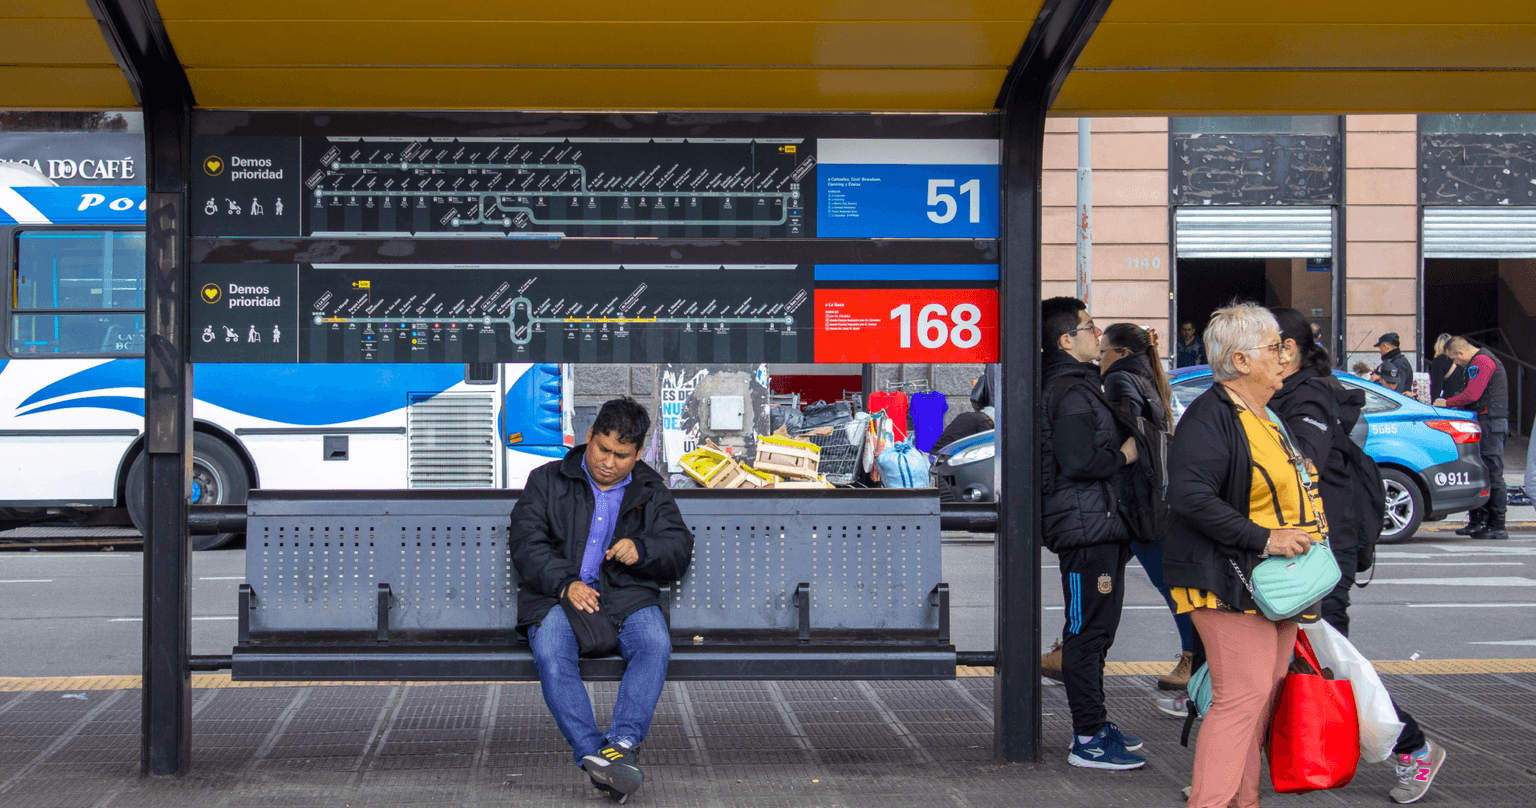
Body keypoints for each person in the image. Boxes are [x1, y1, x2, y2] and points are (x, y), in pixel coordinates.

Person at [1268, 307, 1446, 804]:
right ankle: (1234, 770)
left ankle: (1413, 748)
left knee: (1330, 663)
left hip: (1323, 548)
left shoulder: (1309, 396)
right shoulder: (1285, 393)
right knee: (1279, 661)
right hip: (1302, 544)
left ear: (1286, 349)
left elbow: (1299, 463)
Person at [1163, 302, 1318, 808]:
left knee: (1254, 703)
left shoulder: (1265, 414)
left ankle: (1242, 802)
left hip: (1269, 581)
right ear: (1241, 360)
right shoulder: (1212, 416)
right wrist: (1265, 538)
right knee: (1240, 702)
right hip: (1228, 577)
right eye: (1275, 346)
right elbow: (1190, 497)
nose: (1285, 355)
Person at [511, 397, 695, 803]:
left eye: (622, 455)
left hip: (626, 595)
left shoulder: (650, 488)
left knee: (654, 644)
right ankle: (596, 755)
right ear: (589, 437)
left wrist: (643, 549)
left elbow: (679, 547)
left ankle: (620, 747)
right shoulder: (547, 480)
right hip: (558, 596)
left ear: (638, 453)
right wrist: (564, 583)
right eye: (603, 449)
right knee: (551, 650)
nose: (609, 462)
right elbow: (526, 542)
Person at [1039, 297, 1144, 770]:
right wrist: (1124, 456)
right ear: (1067, 340)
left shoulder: (1079, 385)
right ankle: (1088, 738)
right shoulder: (1071, 391)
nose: (1097, 334)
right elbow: (1079, 460)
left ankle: (1097, 725)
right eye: (1089, 327)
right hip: (1085, 527)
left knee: (1096, 632)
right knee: (1086, 634)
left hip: (1096, 522)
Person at [1099, 323, 1196, 694]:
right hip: (1150, 497)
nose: (1099, 356)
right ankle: (1193, 655)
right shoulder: (1146, 377)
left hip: (1135, 500)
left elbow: (1133, 437)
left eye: (1105, 349)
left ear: (1121, 353)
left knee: (1162, 583)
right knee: (1112, 580)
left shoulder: (1120, 381)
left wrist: (1112, 460)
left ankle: (1193, 657)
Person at [1436, 337, 1510, 541]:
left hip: (1491, 424)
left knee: (1493, 474)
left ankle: (1497, 525)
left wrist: (1447, 403)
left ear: (1459, 354)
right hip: (1485, 422)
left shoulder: (1482, 362)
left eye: (1456, 360)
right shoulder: (1479, 362)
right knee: (1480, 472)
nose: (1457, 365)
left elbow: (1472, 394)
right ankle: (1480, 521)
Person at [1429, 333, 1467, 402]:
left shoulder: (1439, 361)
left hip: (1448, 400)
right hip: (1462, 399)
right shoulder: (1459, 358)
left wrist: (1434, 402)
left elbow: (1436, 386)